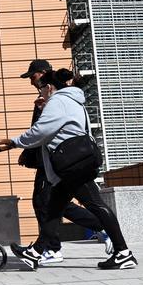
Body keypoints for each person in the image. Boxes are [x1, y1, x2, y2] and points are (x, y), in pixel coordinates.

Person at [0, 66, 136, 271]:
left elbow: (41, 131)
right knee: (53, 208)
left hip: (73, 165)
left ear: (49, 87)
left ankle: (123, 252)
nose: (39, 92)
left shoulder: (58, 101)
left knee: (95, 205)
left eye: (41, 89)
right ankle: (36, 253)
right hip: (76, 163)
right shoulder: (72, 100)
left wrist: (14, 142)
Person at [17, 62, 110, 265]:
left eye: (33, 77)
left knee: (47, 203)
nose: (32, 82)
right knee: (56, 203)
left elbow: (44, 131)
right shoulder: (48, 98)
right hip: (52, 160)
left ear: (42, 75)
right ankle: (101, 229)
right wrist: (28, 154)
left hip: (58, 161)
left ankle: (51, 248)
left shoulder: (56, 97)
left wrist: (17, 144)